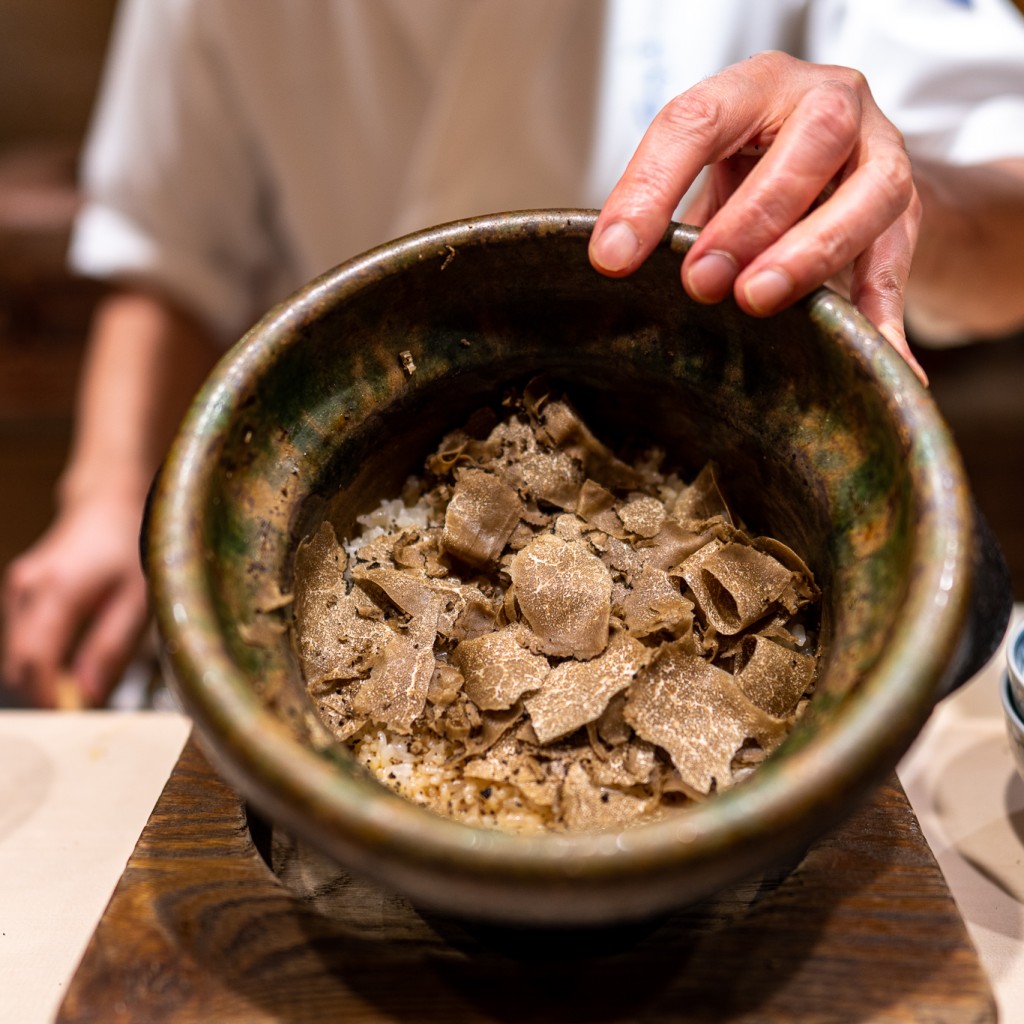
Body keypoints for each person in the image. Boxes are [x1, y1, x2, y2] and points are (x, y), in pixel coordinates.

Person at [5, 0, 1024, 708]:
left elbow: (1007, 217)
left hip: (693, 472)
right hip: (342, 486)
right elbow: (169, 251)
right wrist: (102, 493)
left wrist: (875, 192)